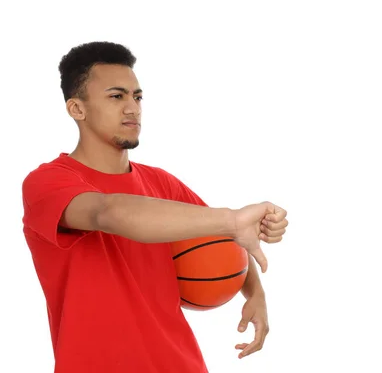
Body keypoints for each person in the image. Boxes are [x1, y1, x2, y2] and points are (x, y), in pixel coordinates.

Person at [20, 41, 288, 373]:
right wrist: (232, 220)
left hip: (182, 364)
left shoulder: (162, 182)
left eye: (138, 96)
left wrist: (254, 292)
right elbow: (107, 212)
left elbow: (224, 234)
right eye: (117, 96)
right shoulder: (47, 183)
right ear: (77, 109)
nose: (133, 108)